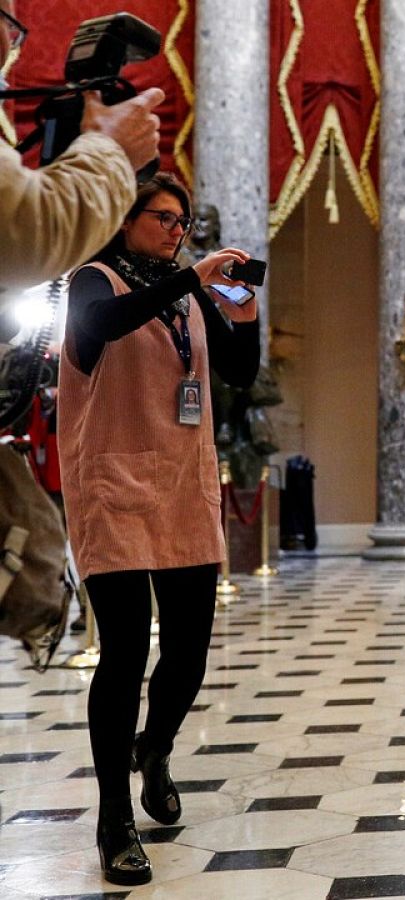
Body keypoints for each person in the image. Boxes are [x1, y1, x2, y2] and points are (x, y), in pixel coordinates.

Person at [58, 172, 259, 886]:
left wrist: (245, 313)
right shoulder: (92, 280)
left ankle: (158, 746)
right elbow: (99, 328)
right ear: (127, 216)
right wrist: (188, 284)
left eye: (183, 222)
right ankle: (115, 819)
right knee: (121, 655)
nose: (178, 232)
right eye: (165, 219)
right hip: (112, 486)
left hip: (182, 485)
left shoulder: (188, 292)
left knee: (188, 653)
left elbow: (238, 372)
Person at [0, 0, 165, 294]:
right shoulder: (96, 278)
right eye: (8, 26)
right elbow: (27, 232)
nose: (9, 50)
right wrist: (112, 148)